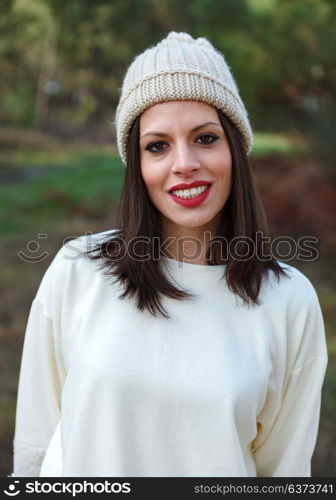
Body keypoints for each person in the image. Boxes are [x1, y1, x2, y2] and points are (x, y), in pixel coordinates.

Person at [11, 31, 328, 478]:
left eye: (204, 138)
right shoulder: (78, 269)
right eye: (157, 145)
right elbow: (35, 443)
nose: (184, 163)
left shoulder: (290, 300)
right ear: (137, 166)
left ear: (235, 149)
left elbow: (284, 471)